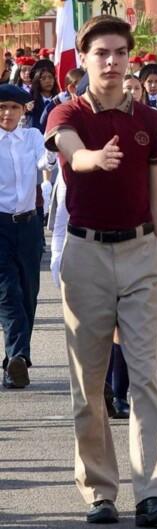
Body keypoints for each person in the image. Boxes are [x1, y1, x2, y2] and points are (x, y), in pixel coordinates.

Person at [45, 15, 157, 527]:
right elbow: (71, 152)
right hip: (85, 256)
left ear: (130, 59)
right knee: (90, 381)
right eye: (100, 53)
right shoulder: (68, 112)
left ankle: (152, 492)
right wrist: (92, 160)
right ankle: (100, 490)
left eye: (119, 53)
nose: (110, 62)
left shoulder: (150, 122)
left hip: (141, 253)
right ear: (84, 59)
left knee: (146, 377)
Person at [0, 84, 45, 389]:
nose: (7, 113)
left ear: (23, 110)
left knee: (28, 292)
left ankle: (15, 360)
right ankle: (18, 355)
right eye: (2, 107)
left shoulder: (32, 137)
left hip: (29, 224)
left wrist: (54, 159)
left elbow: (46, 161)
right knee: (8, 292)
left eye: (13, 108)